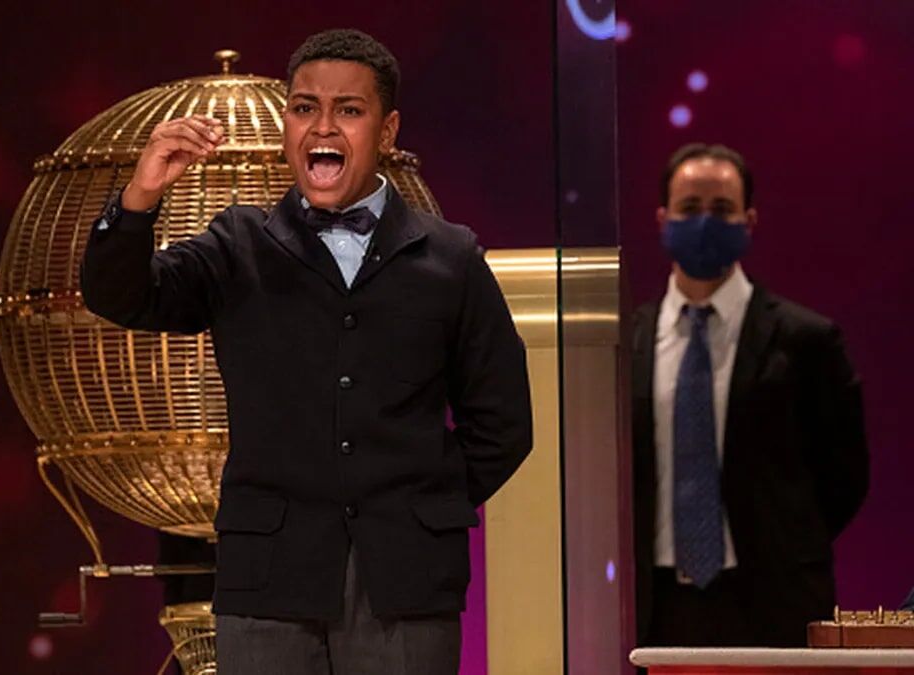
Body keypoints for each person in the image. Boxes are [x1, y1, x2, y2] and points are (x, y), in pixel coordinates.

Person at [80, 29, 532, 674]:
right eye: (304, 108)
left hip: (405, 585)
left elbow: (504, 423)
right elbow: (120, 296)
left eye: (348, 110)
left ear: (388, 130)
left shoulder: (450, 258)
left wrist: (423, 504)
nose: (322, 126)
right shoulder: (238, 245)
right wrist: (141, 197)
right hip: (268, 583)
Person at [632, 143, 870, 648]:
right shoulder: (626, 342)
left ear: (750, 220)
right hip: (656, 606)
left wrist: (787, 541)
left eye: (722, 209)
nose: (705, 222)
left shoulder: (808, 340)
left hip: (775, 599)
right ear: (662, 219)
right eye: (689, 208)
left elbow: (845, 475)